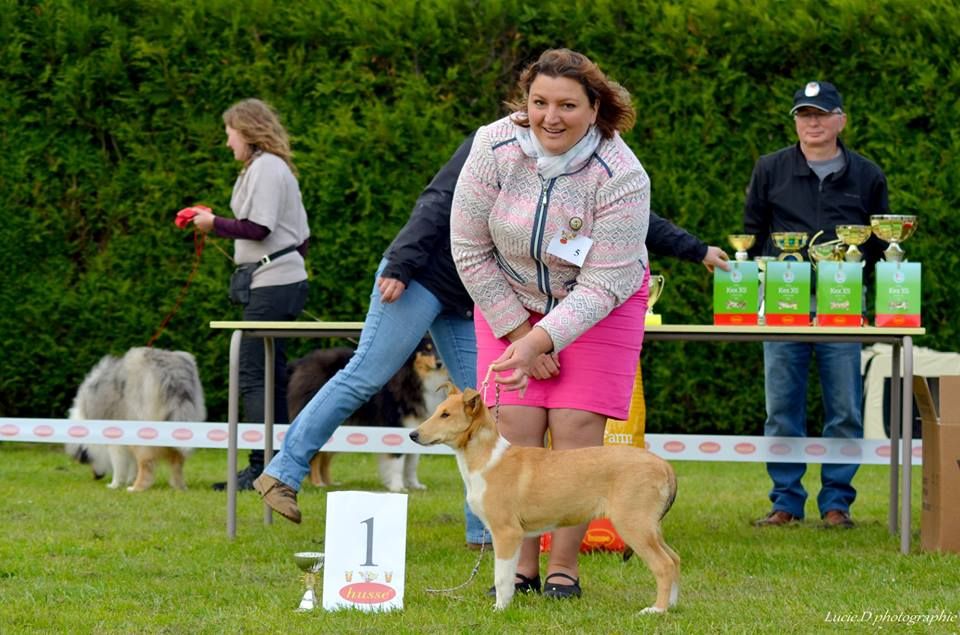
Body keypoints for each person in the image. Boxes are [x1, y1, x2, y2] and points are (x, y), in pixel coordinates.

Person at [450, 48, 651, 600]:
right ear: (525, 102)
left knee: (575, 427)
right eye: (539, 103)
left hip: (599, 303)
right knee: (514, 422)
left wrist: (546, 337)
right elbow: (468, 249)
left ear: (595, 108)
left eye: (567, 105)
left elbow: (605, 281)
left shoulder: (622, 173)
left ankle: (564, 567)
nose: (550, 117)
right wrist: (522, 336)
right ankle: (521, 567)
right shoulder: (492, 146)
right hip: (506, 296)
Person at [743, 81, 888, 529]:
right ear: (795, 122)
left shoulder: (867, 174)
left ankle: (837, 503)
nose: (813, 123)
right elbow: (753, 233)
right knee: (781, 410)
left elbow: (878, 244)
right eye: (804, 115)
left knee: (845, 410)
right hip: (782, 305)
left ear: (840, 120)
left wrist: (855, 292)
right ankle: (786, 501)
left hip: (842, 308)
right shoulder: (770, 169)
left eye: (822, 114)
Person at [191, 98, 311, 491]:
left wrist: (213, 223)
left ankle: (263, 468)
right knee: (270, 377)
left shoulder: (266, 168)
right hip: (278, 282)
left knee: (254, 376)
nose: (228, 143)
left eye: (230, 134)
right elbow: (301, 239)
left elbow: (259, 228)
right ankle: (274, 467)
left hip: (273, 285)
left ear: (246, 131)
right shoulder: (269, 168)